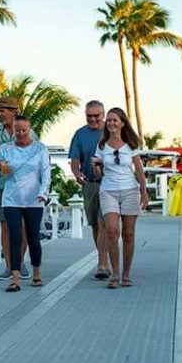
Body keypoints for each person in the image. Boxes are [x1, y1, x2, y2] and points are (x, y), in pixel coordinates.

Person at [0, 96, 38, 280]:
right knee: (6, 227)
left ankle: (19, 263)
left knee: (23, 227)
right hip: (1, 186)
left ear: (14, 111)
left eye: (3, 110)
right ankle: (8, 266)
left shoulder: (30, 132)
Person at [91, 107, 149, 289]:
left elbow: (138, 169)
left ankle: (126, 274)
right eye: (109, 120)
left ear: (122, 123)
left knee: (129, 234)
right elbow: (99, 174)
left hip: (130, 190)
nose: (111, 123)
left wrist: (144, 191)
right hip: (108, 191)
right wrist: (97, 167)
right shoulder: (102, 146)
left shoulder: (131, 144)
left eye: (115, 120)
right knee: (112, 231)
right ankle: (115, 273)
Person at [0, 115, 51, 292]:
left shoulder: (40, 149)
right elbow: (1, 172)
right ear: (13, 130)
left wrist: (43, 193)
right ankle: (15, 278)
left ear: (29, 130)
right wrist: (2, 167)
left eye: (24, 130)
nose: (20, 133)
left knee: (33, 237)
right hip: (11, 199)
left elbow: (45, 174)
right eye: (17, 130)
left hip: (34, 200)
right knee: (15, 237)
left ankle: (36, 272)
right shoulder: (5, 148)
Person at [68, 100, 110, 279]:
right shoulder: (80, 134)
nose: (93, 119)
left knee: (105, 223)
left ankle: (103, 263)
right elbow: (75, 160)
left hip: (110, 183)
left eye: (97, 116)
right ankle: (103, 258)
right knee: (95, 224)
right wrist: (77, 174)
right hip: (90, 184)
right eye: (89, 116)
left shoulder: (111, 132)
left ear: (103, 114)